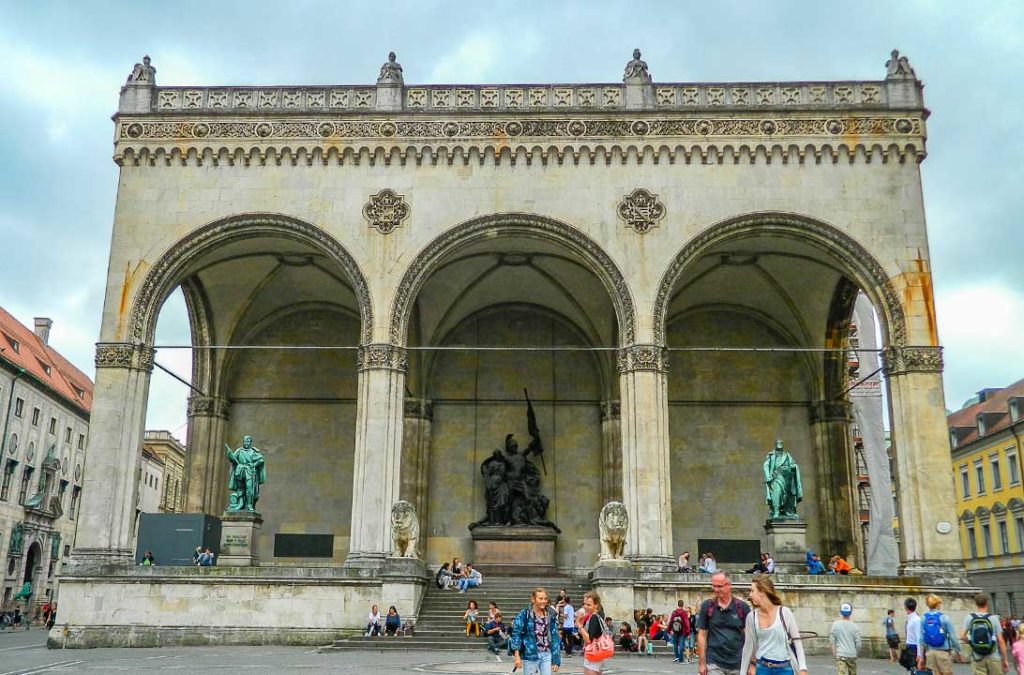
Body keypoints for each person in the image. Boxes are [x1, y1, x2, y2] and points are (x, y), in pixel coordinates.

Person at [738, 575, 808, 675]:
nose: (750, 595)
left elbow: (797, 642)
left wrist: (802, 668)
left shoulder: (784, 613)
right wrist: (743, 672)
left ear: (762, 592)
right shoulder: (751, 617)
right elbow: (748, 647)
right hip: (762, 668)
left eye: (752, 591)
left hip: (785, 669)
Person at [698, 571, 750, 675]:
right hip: (714, 661)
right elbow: (702, 635)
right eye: (714, 586)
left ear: (729, 585)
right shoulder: (707, 606)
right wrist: (701, 663)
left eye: (719, 586)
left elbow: (750, 637)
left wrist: (751, 663)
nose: (716, 590)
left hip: (737, 662)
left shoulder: (742, 607)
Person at [510, 587, 562, 674]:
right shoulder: (525, 614)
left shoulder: (550, 614)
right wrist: (516, 655)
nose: (543, 601)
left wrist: (556, 659)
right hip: (530, 654)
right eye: (540, 598)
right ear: (533, 599)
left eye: (545, 598)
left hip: (546, 654)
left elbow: (554, 637)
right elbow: (516, 634)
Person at [961, 593, 1009, 675]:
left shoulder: (970, 617)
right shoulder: (994, 619)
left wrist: (972, 642)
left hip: (977, 656)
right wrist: (1005, 659)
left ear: (976, 604)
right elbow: (1001, 641)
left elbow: (962, 636)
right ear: (987, 603)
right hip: (993, 656)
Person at [918, 594, 962, 675]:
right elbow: (953, 637)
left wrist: (921, 656)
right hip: (943, 652)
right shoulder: (944, 618)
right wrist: (958, 651)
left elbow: (921, 639)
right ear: (938, 604)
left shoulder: (923, 618)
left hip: (930, 652)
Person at [577, 591, 608, 675]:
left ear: (596, 604)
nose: (585, 607)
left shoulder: (594, 617)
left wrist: (579, 625)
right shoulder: (600, 614)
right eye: (584, 604)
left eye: (589, 605)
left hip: (594, 654)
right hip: (601, 651)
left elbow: (588, 639)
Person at [830, 603, 861, 675]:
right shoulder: (855, 626)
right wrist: (856, 653)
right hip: (852, 654)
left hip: (841, 654)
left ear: (841, 612)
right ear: (850, 612)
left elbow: (832, 641)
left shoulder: (835, 624)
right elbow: (858, 643)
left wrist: (835, 654)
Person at [901, 597, 922, 672]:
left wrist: (919, 654)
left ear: (905, 607)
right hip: (909, 647)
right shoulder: (911, 618)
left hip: (914, 647)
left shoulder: (916, 620)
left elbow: (919, 637)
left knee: (914, 670)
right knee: (910, 669)